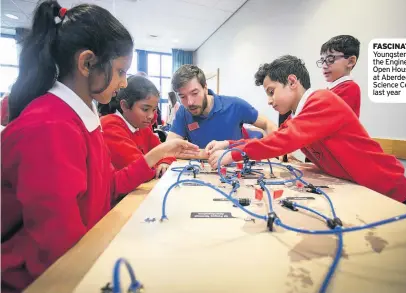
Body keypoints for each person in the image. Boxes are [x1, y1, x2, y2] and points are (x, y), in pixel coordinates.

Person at [1, 1, 198, 292]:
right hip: (35, 279)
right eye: (120, 71)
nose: (122, 83)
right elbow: (56, 250)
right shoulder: (49, 127)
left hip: (81, 256)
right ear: (86, 63)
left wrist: (159, 153)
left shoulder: (82, 117)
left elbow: (106, 187)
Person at [206, 55, 406, 209]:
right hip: (361, 190)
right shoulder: (297, 116)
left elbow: (282, 141)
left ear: (292, 82)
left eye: (272, 92)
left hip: (389, 191)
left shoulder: (321, 100)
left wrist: (234, 155)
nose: (269, 101)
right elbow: (275, 138)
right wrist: (228, 144)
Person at [166, 64, 277, 148]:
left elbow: (267, 124)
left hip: (235, 169)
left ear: (205, 88)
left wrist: (280, 148)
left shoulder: (235, 105)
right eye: (183, 96)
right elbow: (169, 146)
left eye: (194, 93)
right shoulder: (183, 112)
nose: (190, 102)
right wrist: (166, 160)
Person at [101, 75, 175, 178]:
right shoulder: (110, 126)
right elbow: (140, 171)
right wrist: (159, 163)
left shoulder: (141, 126)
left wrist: (165, 162)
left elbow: (166, 152)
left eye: (154, 110)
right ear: (125, 106)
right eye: (145, 109)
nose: (151, 116)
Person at [318, 35, 361, 117]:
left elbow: (325, 117)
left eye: (330, 59)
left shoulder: (350, 87)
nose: (324, 65)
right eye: (322, 61)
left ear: (350, 61)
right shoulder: (331, 89)